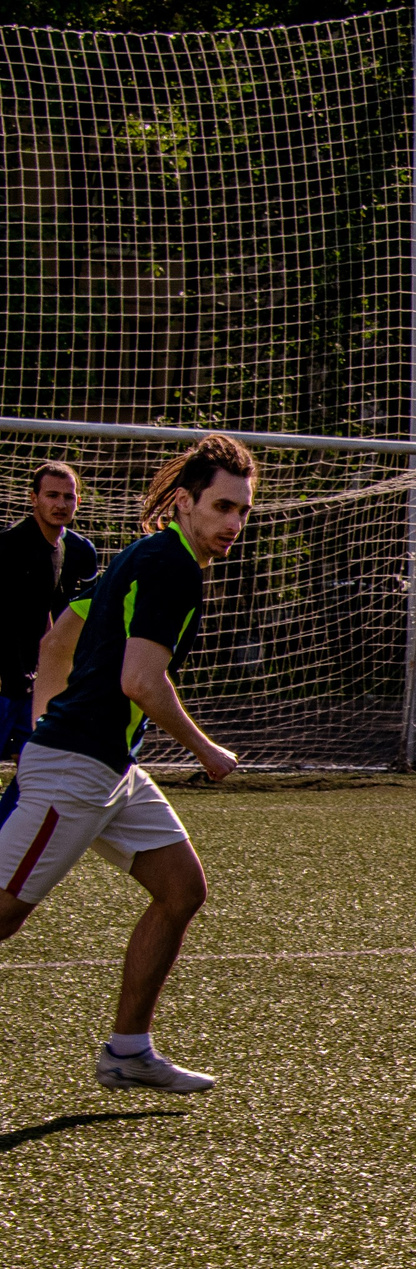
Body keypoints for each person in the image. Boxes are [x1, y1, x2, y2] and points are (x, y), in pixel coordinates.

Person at [0, 435, 250, 1093]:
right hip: (78, 769)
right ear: (184, 502)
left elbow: (58, 641)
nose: (232, 523)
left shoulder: (143, 555)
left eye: (242, 511)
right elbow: (141, 680)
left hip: (105, 767)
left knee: (181, 889)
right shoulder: (172, 567)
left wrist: (40, 734)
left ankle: (128, 1051)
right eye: (221, 506)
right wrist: (207, 751)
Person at [2, 462, 100, 760]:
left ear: (78, 502)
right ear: (34, 498)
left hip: (40, 684)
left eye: (68, 497)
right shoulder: (9, 546)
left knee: (37, 773)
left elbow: (72, 619)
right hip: (6, 684)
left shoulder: (80, 551)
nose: (60, 504)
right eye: (51, 495)